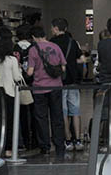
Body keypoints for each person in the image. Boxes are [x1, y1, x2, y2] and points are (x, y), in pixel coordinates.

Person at [27, 26, 66, 157]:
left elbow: (30, 71)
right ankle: (60, 144)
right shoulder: (56, 47)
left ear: (33, 37)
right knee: (57, 117)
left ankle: (45, 146)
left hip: (39, 88)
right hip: (56, 86)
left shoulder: (33, 50)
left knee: (41, 118)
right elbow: (63, 67)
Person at [49, 18, 85, 152]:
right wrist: (71, 63)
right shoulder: (72, 42)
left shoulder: (51, 43)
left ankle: (67, 140)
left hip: (58, 81)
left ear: (56, 28)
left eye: (52, 27)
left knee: (63, 111)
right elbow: (81, 59)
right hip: (73, 80)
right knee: (75, 111)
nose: (51, 30)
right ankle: (78, 139)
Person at [0, 37, 24, 157]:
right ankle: (8, 148)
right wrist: (20, 69)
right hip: (9, 92)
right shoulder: (12, 60)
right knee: (10, 122)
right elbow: (17, 77)